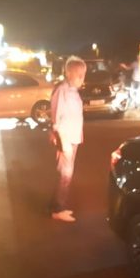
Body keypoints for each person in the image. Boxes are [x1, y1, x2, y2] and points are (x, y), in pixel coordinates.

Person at [49, 56, 87, 223]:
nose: (81, 79)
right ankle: (57, 209)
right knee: (65, 174)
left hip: (73, 138)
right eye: (79, 75)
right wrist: (64, 143)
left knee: (66, 174)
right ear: (69, 73)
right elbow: (57, 118)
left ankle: (57, 206)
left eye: (83, 75)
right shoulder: (62, 90)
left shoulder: (73, 92)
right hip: (66, 139)